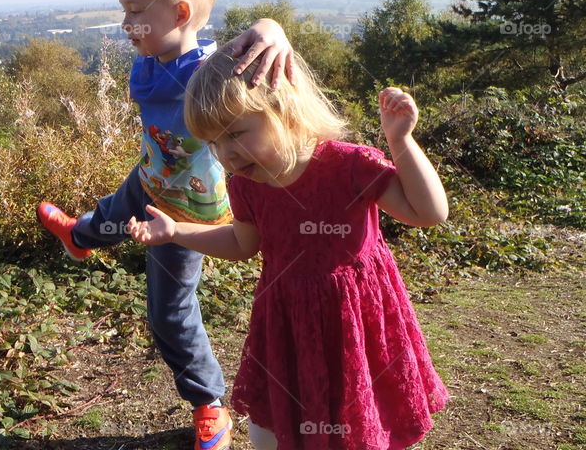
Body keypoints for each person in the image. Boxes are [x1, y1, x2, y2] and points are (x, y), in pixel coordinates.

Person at [38, 0, 293, 450]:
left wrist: (272, 28)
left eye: (135, 15)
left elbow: (261, 36)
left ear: (179, 13)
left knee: (169, 315)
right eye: (125, 11)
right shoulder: (154, 43)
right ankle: (79, 237)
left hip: (187, 210)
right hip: (151, 176)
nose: (126, 24)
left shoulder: (207, 68)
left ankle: (209, 404)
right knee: (105, 215)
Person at [127, 50, 450, 450]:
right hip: (287, 323)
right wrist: (177, 230)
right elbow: (241, 243)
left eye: (235, 133)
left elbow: (429, 212)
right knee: (278, 426)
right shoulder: (246, 185)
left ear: (283, 109)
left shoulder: (349, 166)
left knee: (355, 417)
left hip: (355, 317)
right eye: (212, 142)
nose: (225, 154)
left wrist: (401, 141)